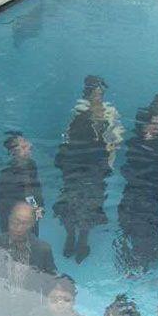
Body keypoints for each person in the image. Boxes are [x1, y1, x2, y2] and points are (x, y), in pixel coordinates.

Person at [116, 95, 158, 274]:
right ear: (143, 126)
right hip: (139, 196)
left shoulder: (155, 145)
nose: (156, 128)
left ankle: (142, 261)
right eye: (153, 124)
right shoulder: (136, 144)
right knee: (137, 228)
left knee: (143, 229)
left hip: (147, 196)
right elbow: (132, 170)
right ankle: (139, 261)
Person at [53, 80, 113, 264]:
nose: (99, 97)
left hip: (83, 166)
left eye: (101, 94)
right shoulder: (84, 115)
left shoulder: (85, 115)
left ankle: (76, 239)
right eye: (97, 94)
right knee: (79, 204)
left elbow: (68, 140)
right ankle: (76, 239)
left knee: (80, 203)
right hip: (86, 166)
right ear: (88, 95)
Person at [66, 75, 124, 169]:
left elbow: (117, 134)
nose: (99, 95)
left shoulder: (110, 111)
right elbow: (71, 136)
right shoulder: (80, 110)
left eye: (100, 93)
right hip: (85, 153)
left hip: (105, 153)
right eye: (96, 93)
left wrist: (113, 145)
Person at [0, 131, 44, 236]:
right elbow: (28, 193)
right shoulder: (23, 169)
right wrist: (36, 208)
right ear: (14, 152)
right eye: (24, 146)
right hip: (22, 217)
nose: (30, 146)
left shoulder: (28, 166)